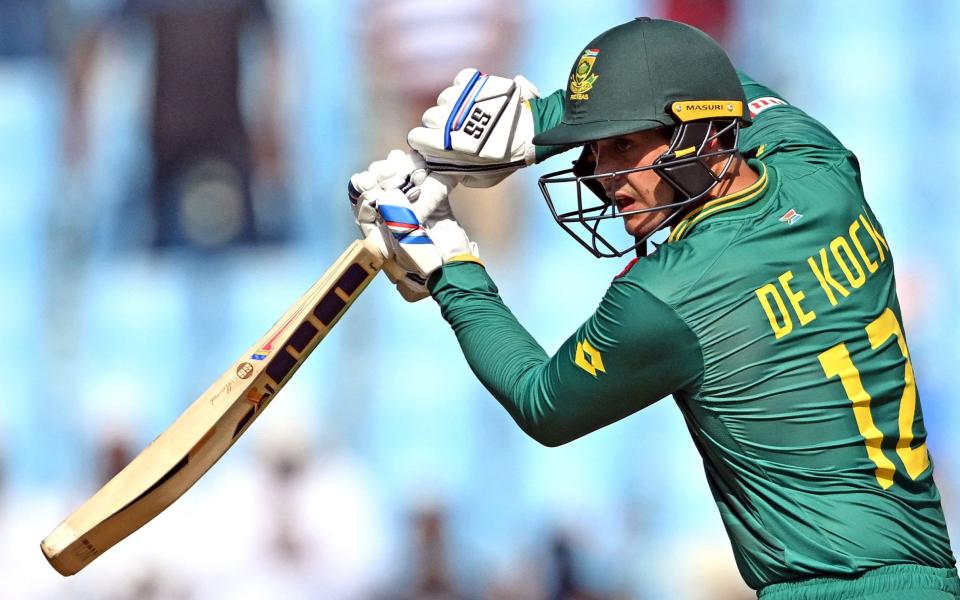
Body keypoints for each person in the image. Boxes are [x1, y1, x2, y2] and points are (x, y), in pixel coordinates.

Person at [349, 18, 959, 599]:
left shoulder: (670, 291)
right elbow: (736, 92)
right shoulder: (819, 170)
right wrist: (543, 120)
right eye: (595, 148)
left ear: (701, 134)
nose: (603, 175)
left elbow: (545, 406)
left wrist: (451, 267)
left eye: (624, 145)